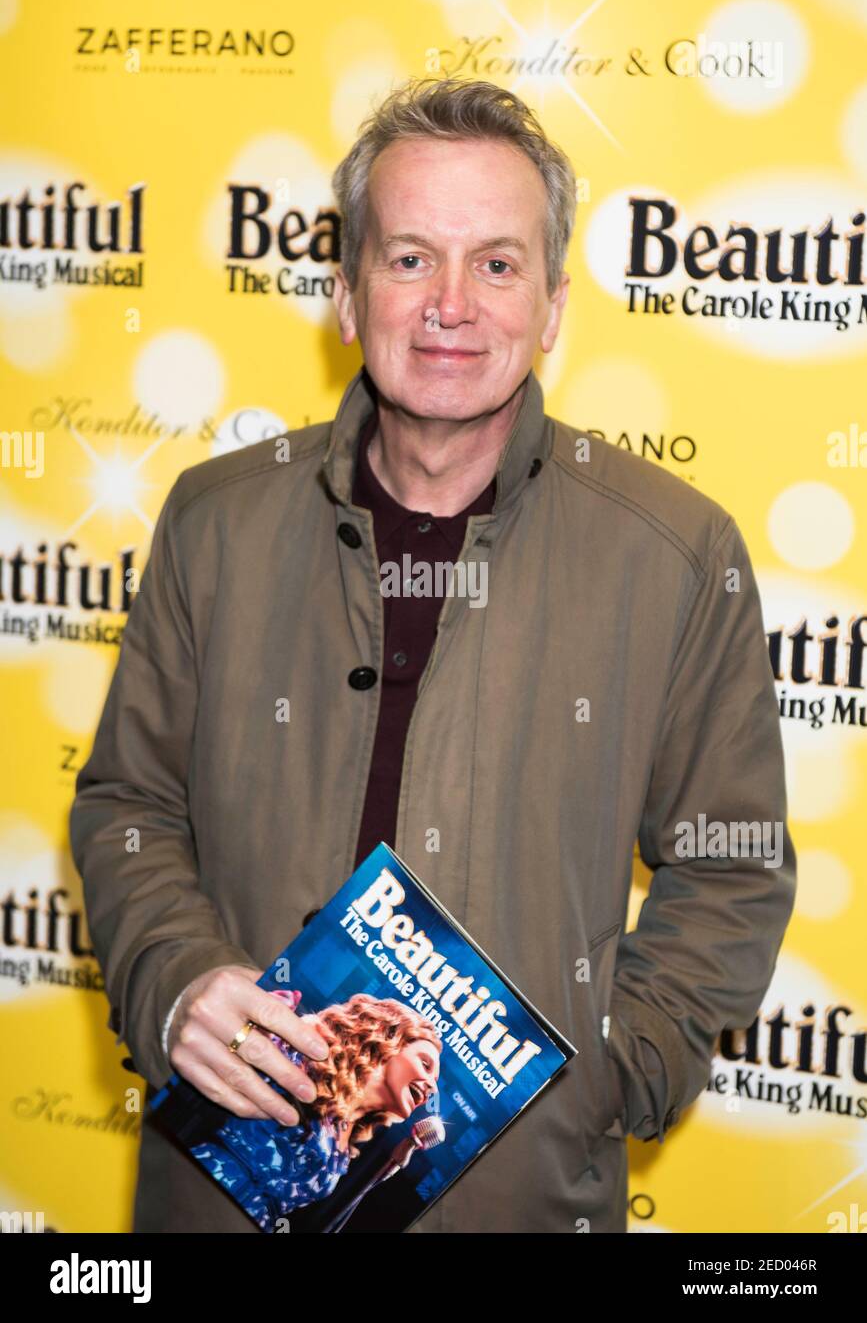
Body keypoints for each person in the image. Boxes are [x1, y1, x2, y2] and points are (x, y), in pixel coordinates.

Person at [69, 75, 797, 1234]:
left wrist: (600, 1080)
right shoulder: (216, 522)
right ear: (348, 295)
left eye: (497, 264)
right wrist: (173, 981)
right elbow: (128, 804)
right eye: (409, 258)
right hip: (221, 1192)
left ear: (553, 304)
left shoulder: (672, 554)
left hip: (518, 1205)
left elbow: (734, 867)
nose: (451, 303)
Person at [186, 991, 441, 1229]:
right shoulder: (303, 1061)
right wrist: (250, 1030)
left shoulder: (351, 1136)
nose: (431, 1086)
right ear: (388, 1040)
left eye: (435, 1082)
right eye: (425, 1064)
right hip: (194, 1189)